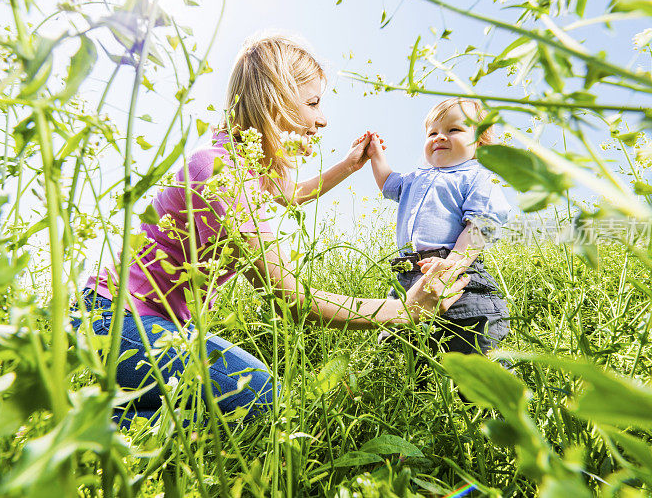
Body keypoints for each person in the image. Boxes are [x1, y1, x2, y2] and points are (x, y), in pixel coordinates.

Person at [74, 35, 470, 428]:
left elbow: (292, 194)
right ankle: (84, 433)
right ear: (273, 100)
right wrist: (404, 310)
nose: (323, 119)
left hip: (164, 323)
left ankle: (99, 420)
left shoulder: (238, 161)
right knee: (267, 404)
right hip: (114, 318)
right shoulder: (217, 172)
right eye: (312, 103)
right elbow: (290, 300)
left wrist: (349, 166)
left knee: (266, 401)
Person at [365, 97, 511, 364]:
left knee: (475, 351)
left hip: (459, 278)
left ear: (479, 141)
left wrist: (453, 263)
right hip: (407, 275)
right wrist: (376, 155)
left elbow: (481, 224)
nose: (439, 137)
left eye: (453, 130)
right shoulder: (416, 178)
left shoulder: (478, 175)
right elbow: (388, 183)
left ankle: (491, 402)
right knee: (398, 352)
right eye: (432, 132)